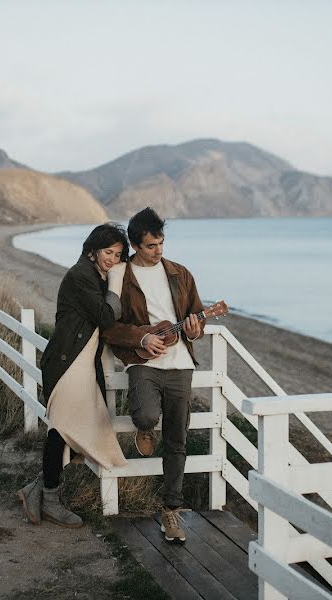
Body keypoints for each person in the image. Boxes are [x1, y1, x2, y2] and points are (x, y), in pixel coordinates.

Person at [103, 207, 205, 544]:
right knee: (146, 414)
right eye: (150, 245)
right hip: (143, 361)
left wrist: (194, 328)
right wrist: (141, 338)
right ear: (134, 244)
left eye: (161, 243)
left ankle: (170, 509)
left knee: (177, 439)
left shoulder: (180, 274)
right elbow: (109, 326)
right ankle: (145, 428)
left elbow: (197, 320)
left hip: (179, 366)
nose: (159, 250)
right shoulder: (121, 275)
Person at [17, 223, 129, 528]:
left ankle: (39, 488)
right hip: (67, 365)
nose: (113, 259)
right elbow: (106, 317)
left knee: (79, 427)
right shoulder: (82, 276)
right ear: (92, 250)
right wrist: (117, 284)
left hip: (82, 364)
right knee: (65, 428)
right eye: (108, 252)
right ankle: (49, 497)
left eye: (119, 254)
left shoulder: (96, 277)